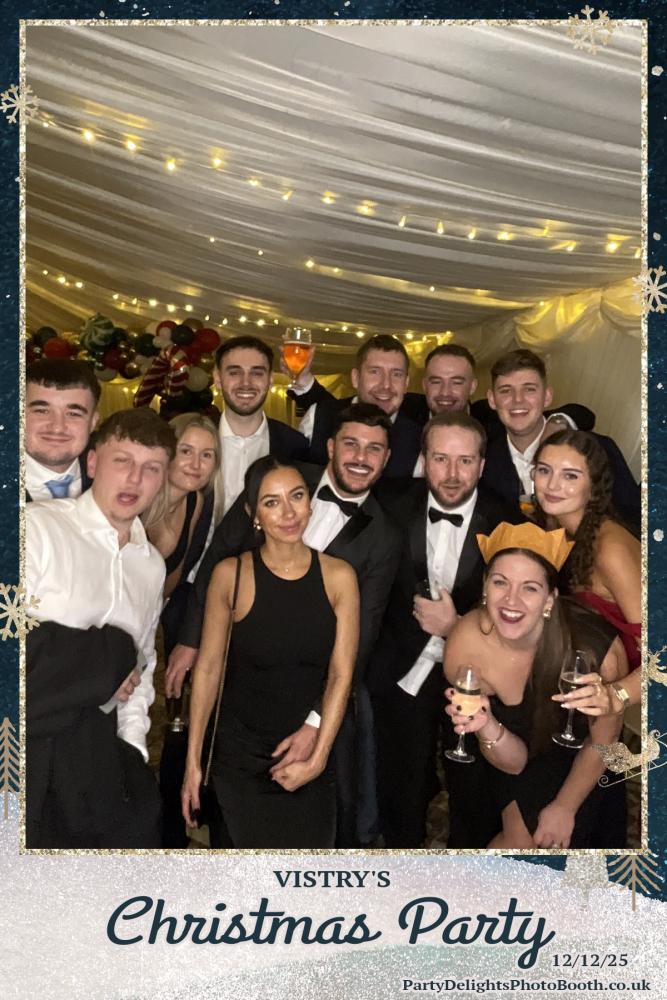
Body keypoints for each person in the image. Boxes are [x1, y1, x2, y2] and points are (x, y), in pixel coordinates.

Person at [166, 403, 402, 846]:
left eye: (374, 448)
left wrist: (317, 737)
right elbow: (217, 563)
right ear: (330, 447)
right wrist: (193, 761)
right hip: (238, 742)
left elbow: (349, 662)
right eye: (351, 444)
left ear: (387, 458)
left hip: (308, 725)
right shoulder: (276, 489)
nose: (289, 511)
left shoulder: (371, 550)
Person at [181, 457, 359, 848]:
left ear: (310, 502)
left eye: (297, 496)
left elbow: (341, 675)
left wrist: (317, 759)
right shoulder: (230, 575)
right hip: (238, 758)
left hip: (308, 750)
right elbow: (208, 669)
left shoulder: (340, 578)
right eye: (272, 502)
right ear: (254, 514)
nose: (288, 512)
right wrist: (193, 763)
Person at [366, 412, 520, 847]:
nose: (452, 474)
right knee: (400, 782)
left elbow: (521, 615)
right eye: (440, 459)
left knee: (472, 787)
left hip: (475, 675)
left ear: (482, 465)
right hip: (400, 670)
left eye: (465, 461)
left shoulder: (508, 524)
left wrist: (456, 627)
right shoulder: (389, 502)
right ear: (423, 459)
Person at [25, 407, 176, 847]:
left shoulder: (152, 566)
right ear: (92, 463)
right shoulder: (37, 529)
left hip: (98, 759)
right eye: (122, 461)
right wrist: (108, 661)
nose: (134, 479)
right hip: (28, 747)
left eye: (151, 468)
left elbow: (143, 666)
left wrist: (132, 749)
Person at [444, 521, 628, 849]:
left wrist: (565, 807)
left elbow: (605, 742)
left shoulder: (598, 652)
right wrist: (486, 726)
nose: (511, 600)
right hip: (508, 756)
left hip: (584, 759)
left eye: (529, 588)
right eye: (500, 582)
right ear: (485, 586)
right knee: (516, 843)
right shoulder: (466, 645)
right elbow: (513, 762)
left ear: (549, 600)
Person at [532, 428, 640, 717]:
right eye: (544, 470)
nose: (552, 485)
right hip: (592, 671)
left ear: (593, 487)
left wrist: (617, 696)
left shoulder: (610, 550)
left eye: (570, 476)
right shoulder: (554, 525)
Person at [482, 348, 640, 530]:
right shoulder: (485, 461)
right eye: (505, 391)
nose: (518, 400)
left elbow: (635, 518)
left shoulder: (598, 449)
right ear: (492, 400)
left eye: (529, 389)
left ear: (547, 396)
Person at [290, 334, 423, 477]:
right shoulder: (319, 417)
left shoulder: (419, 441)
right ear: (355, 378)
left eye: (396, 374)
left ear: (406, 383)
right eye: (375, 372)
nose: (386, 384)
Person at [144, 413, 220, 654]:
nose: (196, 465)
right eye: (186, 451)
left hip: (145, 625)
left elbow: (172, 580)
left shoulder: (194, 502)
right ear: (165, 453)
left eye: (206, 455)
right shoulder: (137, 500)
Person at [210, 335, 309, 520]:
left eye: (257, 373)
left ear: (270, 379)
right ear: (217, 378)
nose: (246, 383)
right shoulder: (193, 439)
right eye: (234, 372)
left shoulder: (295, 446)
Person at [26, 359, 100, 500]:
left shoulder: (115, 475)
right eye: (41, 411)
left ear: (93, 422)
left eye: (73, 414)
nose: (57, 427)